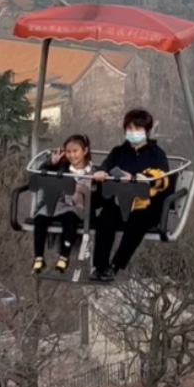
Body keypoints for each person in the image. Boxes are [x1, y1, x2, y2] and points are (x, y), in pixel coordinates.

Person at [89, 108, 171, 282]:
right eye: (130, 129)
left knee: (137, 222)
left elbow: (162, 179)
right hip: (121, 200)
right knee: (106, 219)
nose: (133, 133)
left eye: (137, 130)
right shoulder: (118, 152)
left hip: (145, 204)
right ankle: (99, 266)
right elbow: (106, 166)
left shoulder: (156, 154)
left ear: (146, 132)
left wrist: (135, 178)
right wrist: (102, 173)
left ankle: (116, 265)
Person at [31, 134, 95, 274]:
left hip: (78, 204)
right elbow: (41, 174)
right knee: (41, 218)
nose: (72, 156)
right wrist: (52, 162)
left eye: (75, 151)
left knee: (70, 217)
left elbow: (95, 190)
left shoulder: (92, 171)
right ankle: (38, 256)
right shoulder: (62, 167)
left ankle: (64, 256)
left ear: (84, 151)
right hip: (58, 201)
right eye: (68, 152)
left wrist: (81, 189)